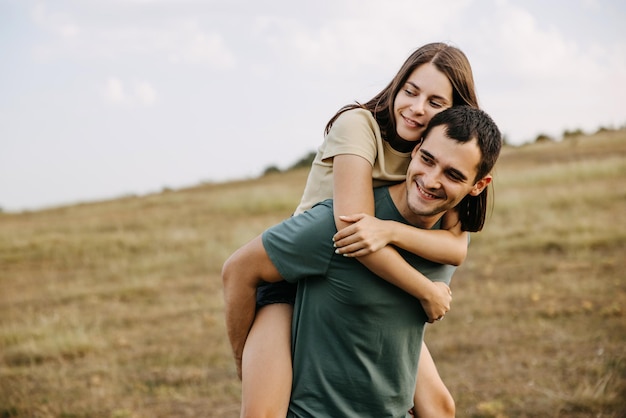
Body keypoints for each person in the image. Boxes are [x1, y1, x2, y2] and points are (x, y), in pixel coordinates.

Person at [240, 42, 479, 417]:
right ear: (397, 86)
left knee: (440, 406)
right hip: (300, 276)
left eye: (435, 103)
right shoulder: (359, 126)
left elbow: (456, 246)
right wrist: (426, 292)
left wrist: (396, 234)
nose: (417, 108)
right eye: (411, 92)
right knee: (264, 409)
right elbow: (357, 231)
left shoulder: (434, 155)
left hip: (367, 282)